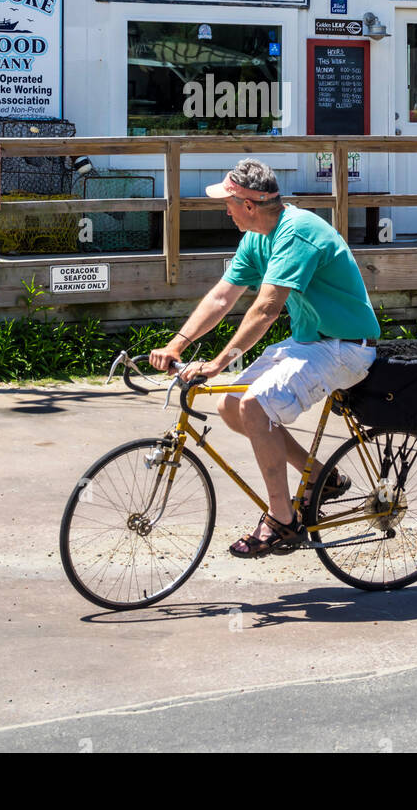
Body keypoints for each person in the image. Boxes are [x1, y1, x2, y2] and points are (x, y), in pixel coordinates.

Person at [149, 157, 380, 557]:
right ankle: (322, 477)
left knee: (255, 406)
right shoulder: (257, 237)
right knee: (231, 404)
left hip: (346, 347)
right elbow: (223, 296)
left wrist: (218, 364)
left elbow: (266, 309)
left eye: (229, 203)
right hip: (310, 342)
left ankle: (283, 521)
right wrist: (178, 344)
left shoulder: (297, 232)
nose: (225, 210)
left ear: (249, 205)